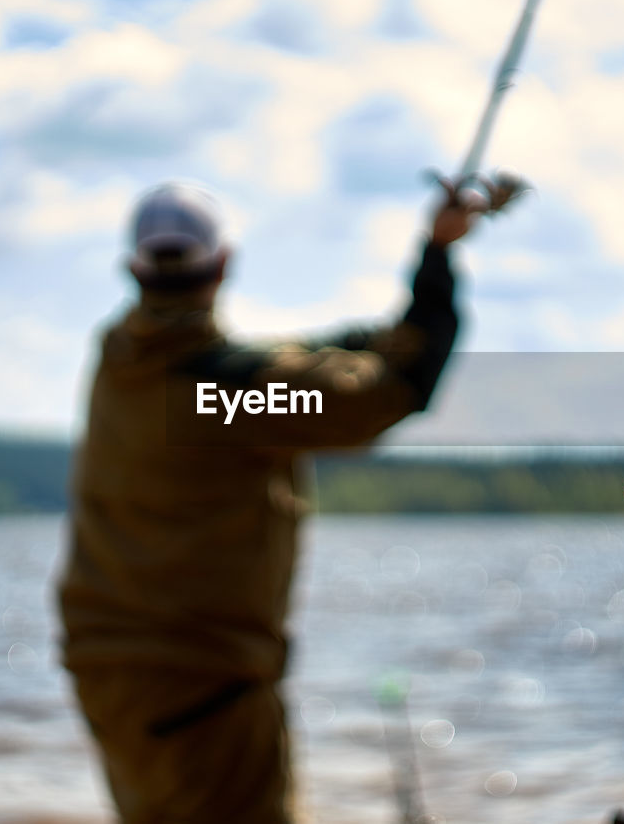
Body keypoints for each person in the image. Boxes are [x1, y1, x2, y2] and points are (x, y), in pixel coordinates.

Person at [59, 178, 507, 823]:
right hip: (200, 687)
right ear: (223, 264)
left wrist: (375, 332)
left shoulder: (122, 357)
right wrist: (437, 259)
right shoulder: (224, 399)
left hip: (110, 669)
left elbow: (274, 364)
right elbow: (389, 392)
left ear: (134, 270)